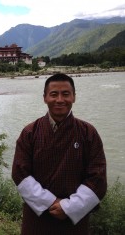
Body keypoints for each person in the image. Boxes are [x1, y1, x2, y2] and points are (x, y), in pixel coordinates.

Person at [11, 73, 107, 235]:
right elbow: (20, 173)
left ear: (74, 97)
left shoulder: (88, 133)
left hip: (73, 220)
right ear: (45, 98)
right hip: (37, 216)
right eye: (54, 94)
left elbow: (97, 178)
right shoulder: (30, 132)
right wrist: (50, 202)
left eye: (66, 94)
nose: (60, 100)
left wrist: (69, 207)